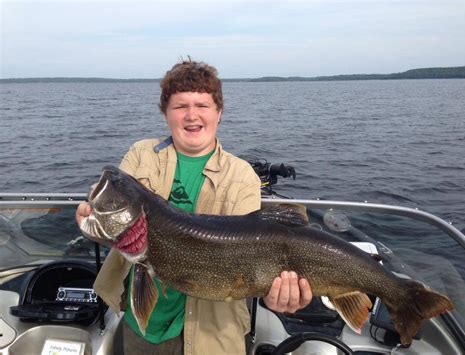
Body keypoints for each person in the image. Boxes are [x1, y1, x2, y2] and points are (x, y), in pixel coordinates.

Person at [76, 59, 313, 354]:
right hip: (144, 330)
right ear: (166, 113)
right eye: (180, 106)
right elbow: (122, 230)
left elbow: (249, 261)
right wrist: (94, 223)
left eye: (202, 105)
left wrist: (274, 297)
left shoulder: (241, 177)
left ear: (219, 112)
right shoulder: (141, 155)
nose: (191, 115)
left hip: (213, 336)